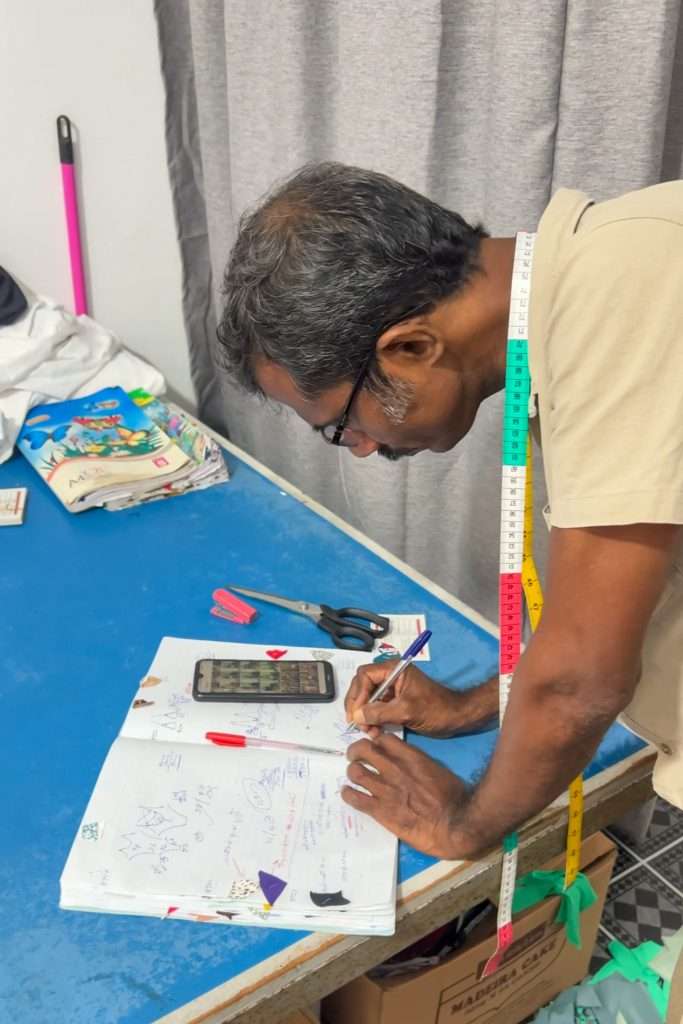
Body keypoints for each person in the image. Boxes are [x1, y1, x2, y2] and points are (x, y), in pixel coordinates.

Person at [217, 162, 683, 866]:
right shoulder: (603, 285)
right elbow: (622, 604)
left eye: (341, 425)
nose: (362, 450)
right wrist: (470, 707)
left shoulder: (624, 300)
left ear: (409, 347)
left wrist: (461, 825)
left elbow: (581, 681)